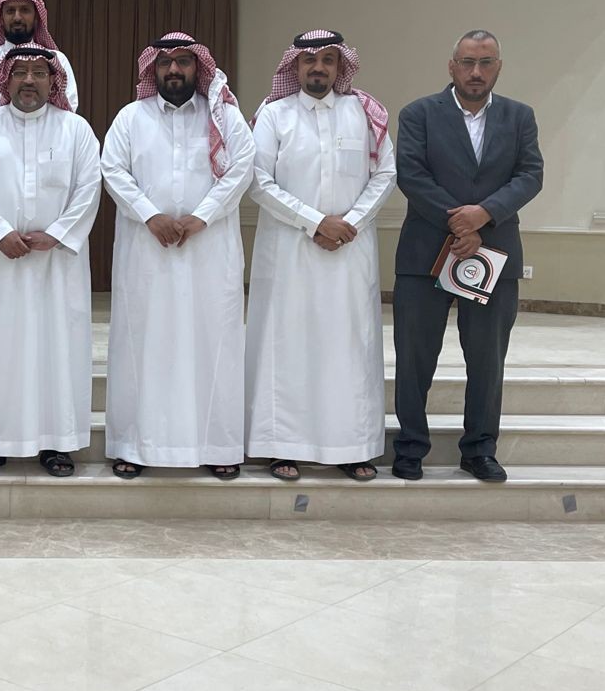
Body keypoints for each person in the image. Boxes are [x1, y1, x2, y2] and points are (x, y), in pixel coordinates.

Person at [244, 30, 397, 482]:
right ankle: (281, 446)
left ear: (340, 66)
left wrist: (350, 222)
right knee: (287, 345)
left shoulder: (364, 113)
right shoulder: (273, 115)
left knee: (348, 347)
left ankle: (352, 447)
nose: (318, 67)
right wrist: (314, 222)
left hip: (350, 252)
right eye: (309, 60)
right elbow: (257, 181)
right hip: (289, 253)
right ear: (294, 67)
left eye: (328, 60)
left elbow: (385, 174)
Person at [101, 33, 255, 480]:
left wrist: (201, 217)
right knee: (143, 345)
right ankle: (133, 445)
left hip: (209, 250)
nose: (174, 70)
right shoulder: (131, 117)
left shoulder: (224, 116)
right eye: (166, 62)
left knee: (213, 342)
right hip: (146, 252)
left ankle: (219, 446)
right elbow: (113, 169)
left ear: (198, 67)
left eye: (183, 62)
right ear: (153, 69)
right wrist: (151, 216)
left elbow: (242, 168)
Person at [392, 29, 543, 482]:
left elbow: (530, 175)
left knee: (487, 360)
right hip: (424, 255)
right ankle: (410, 448)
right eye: (467, 62)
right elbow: (411, 174)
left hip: (494, 253)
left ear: (499, 67)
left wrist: (484, 215)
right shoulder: (418, 114)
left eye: (486, 62)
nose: (476, 72)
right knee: (414, 357)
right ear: (452, 66)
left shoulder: (520, 116)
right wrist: (460, 222)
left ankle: (479, 450)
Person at [0, 44, 100, 478]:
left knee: (59, 350)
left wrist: (57, 234)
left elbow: (89, 187)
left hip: (57, 266)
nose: (30, 80)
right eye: (20, 72)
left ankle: (57, 444)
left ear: (54, 81)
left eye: (39, 72)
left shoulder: (76, 130)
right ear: (5, 80)